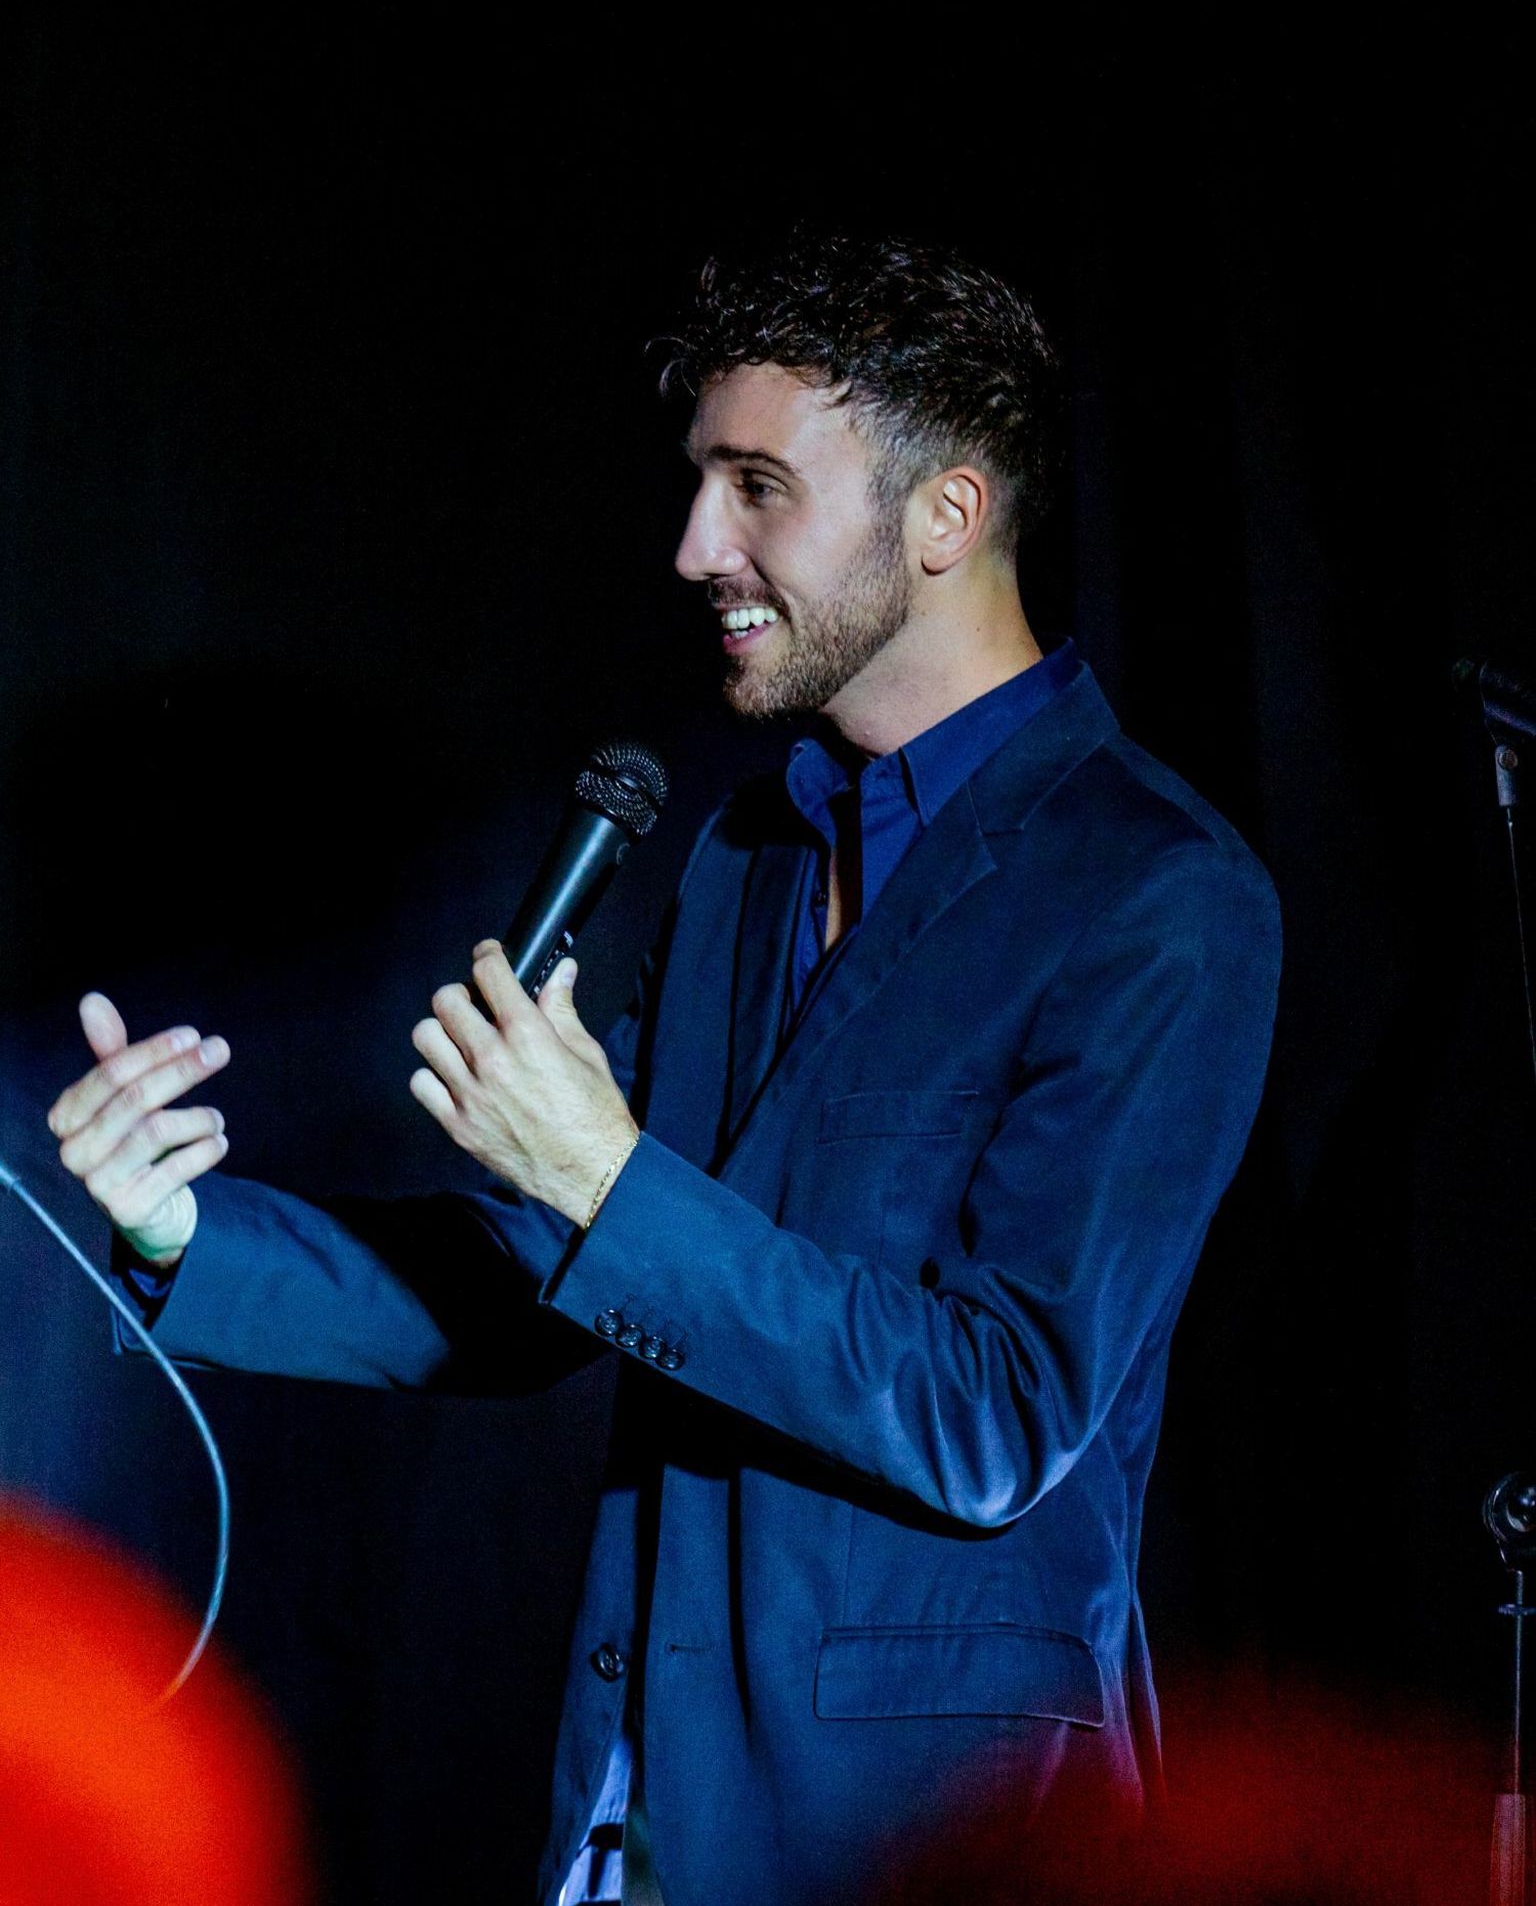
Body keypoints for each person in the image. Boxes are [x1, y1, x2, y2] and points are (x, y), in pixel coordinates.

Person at [47, 231, 1282, 1905]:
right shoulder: (746, 855)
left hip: (936, 1844)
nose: (697, 545)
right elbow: (548, 1272)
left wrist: (604, 1174)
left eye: (756, 486)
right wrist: (189, 1232)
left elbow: (994, 1409)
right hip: (633, 1822)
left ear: (947, 515)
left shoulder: (1157, 892)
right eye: (702, 482)